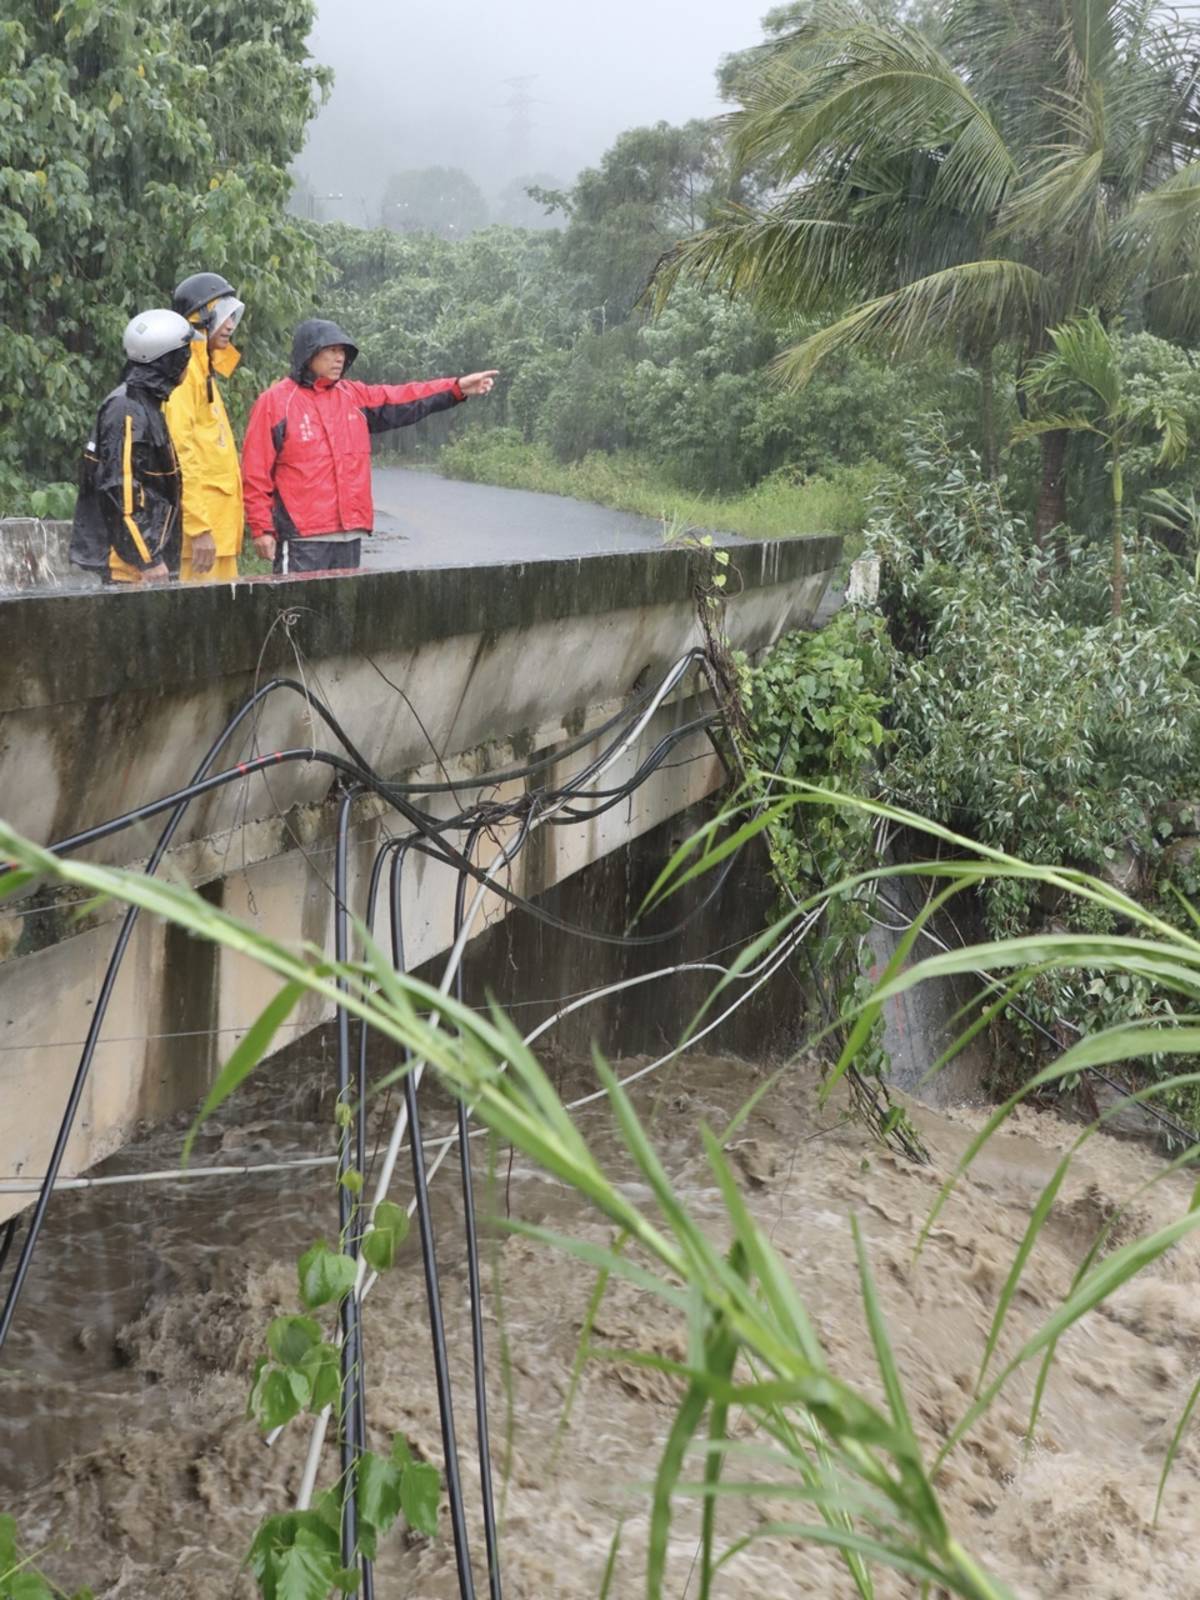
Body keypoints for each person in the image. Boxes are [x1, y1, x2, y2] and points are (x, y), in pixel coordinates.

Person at [241, 317, 498, 574]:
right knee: (297, 611)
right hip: (302, 539)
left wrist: (456, 388)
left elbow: (405, 396)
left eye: (342, 351)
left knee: (343, 613)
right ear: (308, 352)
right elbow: (255, 471)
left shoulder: (354, 397)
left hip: (349, 536)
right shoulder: (275, 402)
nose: (339, 358)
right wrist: (261, 528)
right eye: (331, 350)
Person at [69, 309, 192, 585]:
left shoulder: (145, 403)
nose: (188, 362)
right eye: (185, 354)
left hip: (144, 563)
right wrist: (147, 557)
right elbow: (120, 489)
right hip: (128, 569)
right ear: (170, 360)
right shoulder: (127, 409)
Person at [163, 270, 247, 583]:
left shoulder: (205, 370)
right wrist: (198, 527)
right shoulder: (186, 374)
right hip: (203, 539)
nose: (230, 326)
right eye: (223, 316)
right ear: (199, 319)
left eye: (232, 316)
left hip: (219, 533)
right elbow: (182, 453)